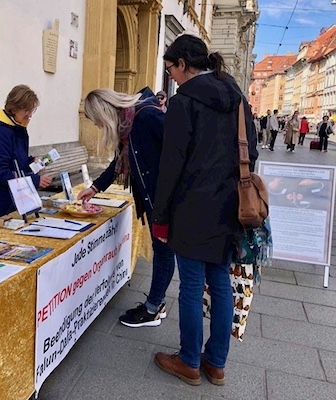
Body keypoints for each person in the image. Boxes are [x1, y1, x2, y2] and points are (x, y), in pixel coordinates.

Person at [151, 34, 258, 387]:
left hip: (192, 208)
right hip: (230, 208)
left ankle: (188, 360)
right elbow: (251, 153)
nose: (172, 77)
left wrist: (160, 215)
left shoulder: (184, 103)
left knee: (192, 286)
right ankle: (216, 363)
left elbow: (172, 164)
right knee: (221, 284)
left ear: (183, 63)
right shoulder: (237, 98)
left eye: (171, 69)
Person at [76, 87, 176, 328]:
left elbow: (177, 154)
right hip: (154, 199)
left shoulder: (146, 117)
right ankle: (156, 304)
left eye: (96, 120)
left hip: (163, 200)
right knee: (162, 251)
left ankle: (153, 308)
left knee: (163, 252)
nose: (99, 126)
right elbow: (119, 162)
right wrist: (95, 188)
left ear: (104, 112)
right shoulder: (128, 126)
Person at [0, 85, 52, 220]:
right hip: (0, 203)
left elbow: (16, 160)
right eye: (26, 110)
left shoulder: (18, 127)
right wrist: (34, 180)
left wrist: (31, 161)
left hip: (17, 201)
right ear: (14, 108)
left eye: (32, 110)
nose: (30, 115)